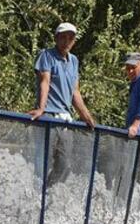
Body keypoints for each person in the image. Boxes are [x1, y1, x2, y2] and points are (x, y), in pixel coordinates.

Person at [30, 22, 95, 187]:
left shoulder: (73, 61)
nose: (67, 41)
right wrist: (41, 109)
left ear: (74, 41)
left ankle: (48, 191)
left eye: (70, 38)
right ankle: (34, 194)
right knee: (42, 160)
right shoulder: (46, 55)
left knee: (65, 163)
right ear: (56, 38)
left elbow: (75, 92)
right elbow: (45, 82)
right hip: (49, 116)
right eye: (63, 37)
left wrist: (87, 117)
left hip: (65, 118)